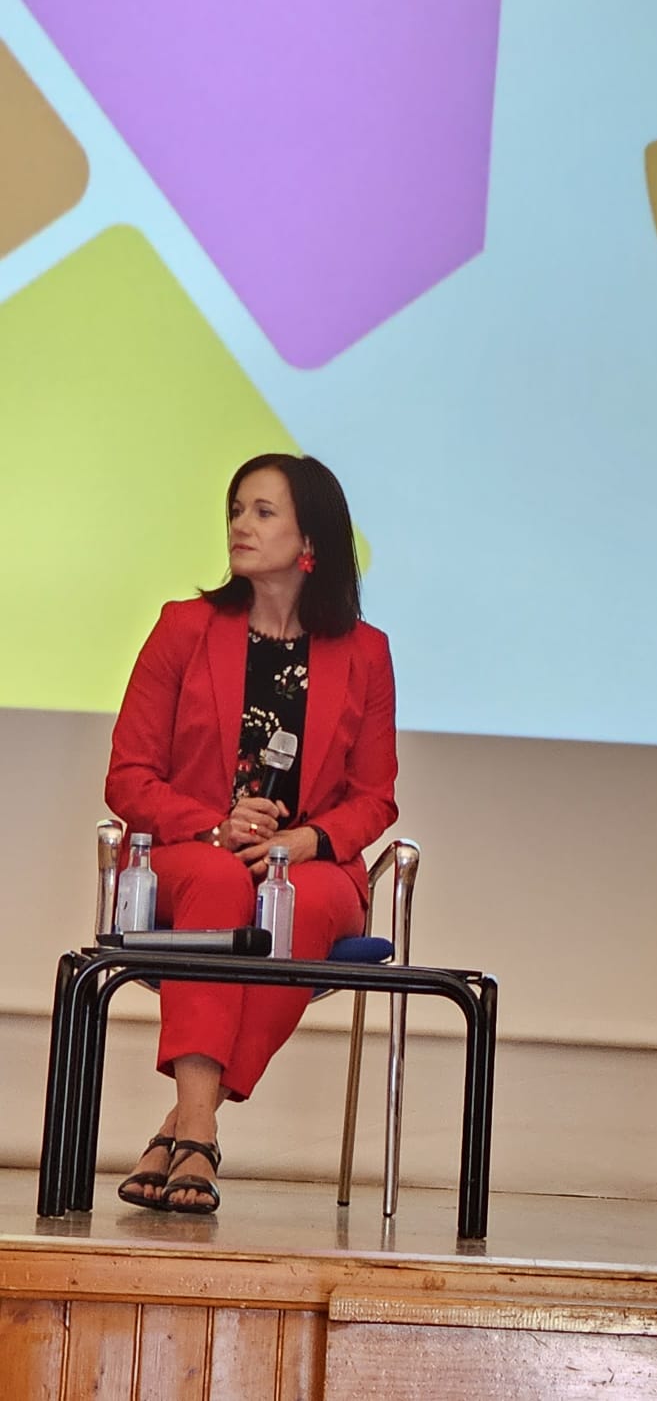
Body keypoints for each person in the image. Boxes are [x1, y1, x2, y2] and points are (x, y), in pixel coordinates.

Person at [105, 454, 397, 1213]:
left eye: (263, 511)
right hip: (191, 856)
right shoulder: (185, 629)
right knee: (222, 880)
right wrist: (212, 825)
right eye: (237, 508)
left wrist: (305, 841)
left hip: (312, 862)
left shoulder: (365, 653)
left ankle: (182, 1126)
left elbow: (375, 798)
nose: (240, 524)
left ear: (312, 540)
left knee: (298, 896)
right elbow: (129, 778)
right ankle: (199, 1131)